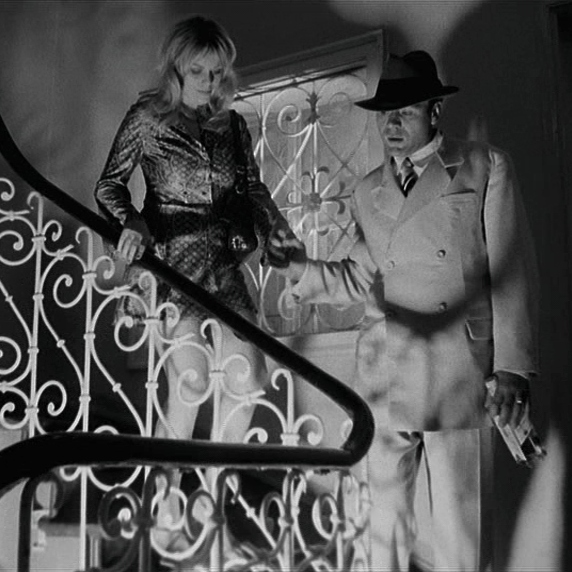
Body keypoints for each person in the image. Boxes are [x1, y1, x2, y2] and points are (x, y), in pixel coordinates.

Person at [269, 50, 539, 571]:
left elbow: (510, 271)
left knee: (459, 532)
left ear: (435, 111)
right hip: (384, 370)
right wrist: (298, 266)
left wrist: (511, 367)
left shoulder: (484, 165)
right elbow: (359, 277)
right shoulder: (368, 189)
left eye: (405, 112)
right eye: (385, 114)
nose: (391, 125)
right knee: (383, 527)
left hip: (454, 369)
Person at [94, 14, 291, 562]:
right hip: (171, 265)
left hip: (225, 267)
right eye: (198, 71)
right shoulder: (147, 118)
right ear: (177, 69)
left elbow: (251, 189)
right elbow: (109, 185)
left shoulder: (232, 126)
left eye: (217, 71)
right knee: (191, 383)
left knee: (249, 379)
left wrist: (274, 225)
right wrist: (131, 221)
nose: (209, 81)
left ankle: (209, 499)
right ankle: (163, 504)